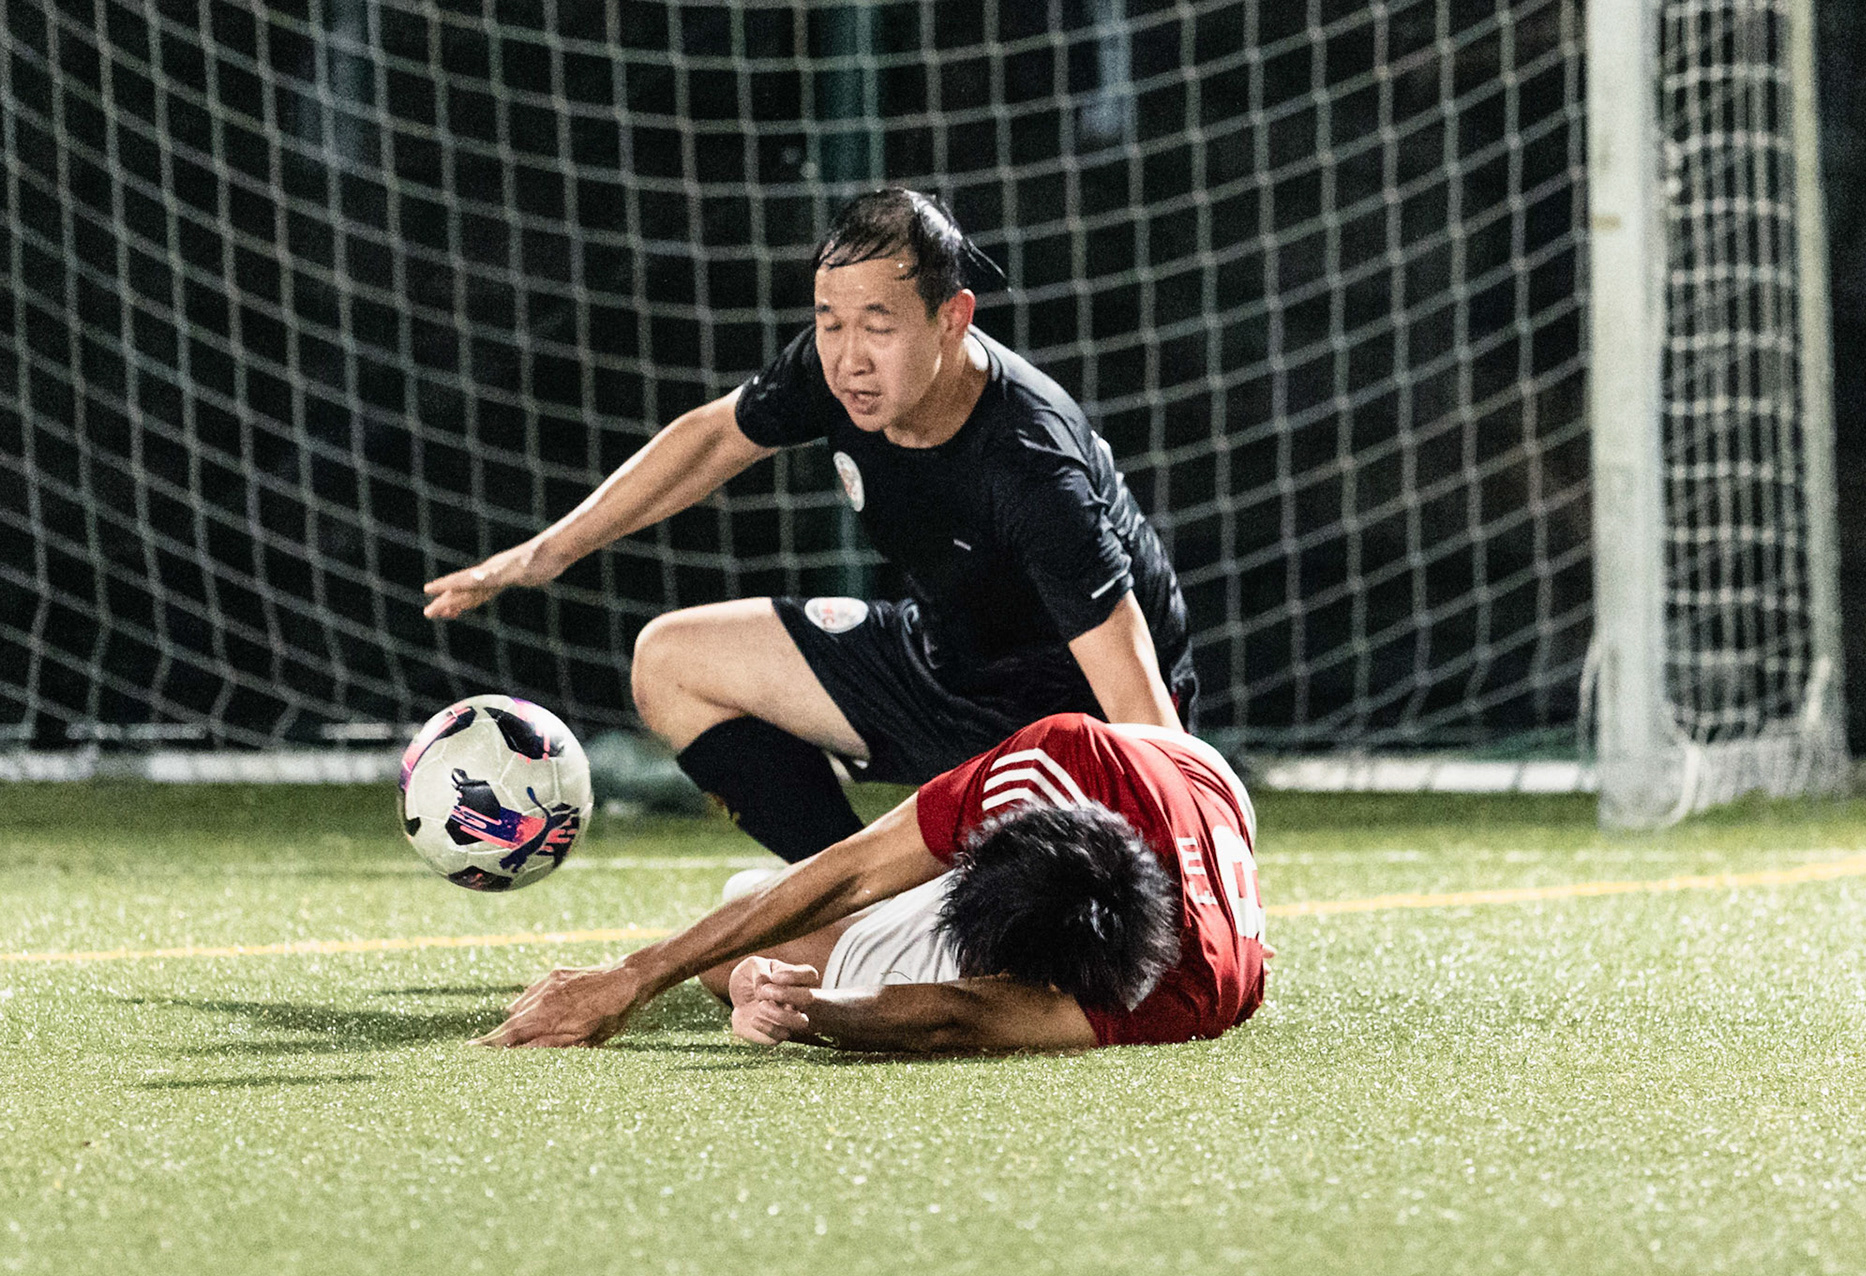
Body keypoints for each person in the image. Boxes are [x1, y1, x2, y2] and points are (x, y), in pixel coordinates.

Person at [423, 189, 1197, 864]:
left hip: (1064, 727)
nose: (848, 356)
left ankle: (923, 890)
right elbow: (716, 436)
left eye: (878, 325)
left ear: (953, 318)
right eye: (829, 321)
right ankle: (847, 897)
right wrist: (546, 553)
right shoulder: (837, 373)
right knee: (671, 662)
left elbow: (1143, 713)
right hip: (944, 659)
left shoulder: (1032, 467)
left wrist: (1196, 875)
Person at [470, 713, 1266, 1054]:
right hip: (1178, 764)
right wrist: (632, 976)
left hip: (1194, 804)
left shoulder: (1193, 991)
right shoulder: (1054, 760)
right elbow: (851, 869)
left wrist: (797, 1004)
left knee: (739, 945)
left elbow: (956, 1018)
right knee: (753, 913)